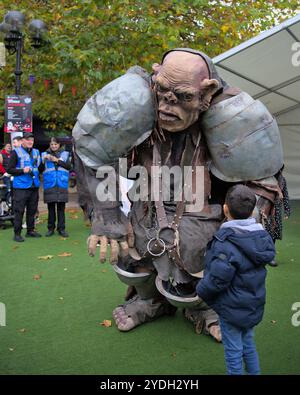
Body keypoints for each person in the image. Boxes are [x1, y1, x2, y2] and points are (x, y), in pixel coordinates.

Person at [73, 49, 287, 340]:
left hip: (202, 217)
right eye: (162, 91)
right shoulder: (136, 103)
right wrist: (107, 213)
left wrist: (242, 227)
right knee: (132, 255)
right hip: (146, 210)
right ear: (155, 74)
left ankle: (205, 307)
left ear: (207, 93)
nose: (167, 104)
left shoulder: (234, 116)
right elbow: (91, 151)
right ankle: (149, 301)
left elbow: (262, 180)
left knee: (209, 256)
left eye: (184, 96)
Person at [196, 185, 276, 375]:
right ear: (253, 212)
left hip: (231, 309)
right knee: (248, 344)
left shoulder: (226, 244)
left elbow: (218, 279)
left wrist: (201, 289)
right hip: (252, 305)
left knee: (233, 352)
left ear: (225, 209)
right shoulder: (261, 238)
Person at [7, 133, 42, 242]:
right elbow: (9, 169)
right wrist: (22, 170)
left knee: (32, 210)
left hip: (34, 185)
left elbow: (39, 168)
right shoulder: (16, 152)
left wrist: (44, 161)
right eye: (28, 140)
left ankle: (30, 231)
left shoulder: (36, 152)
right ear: (22, 141)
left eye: (32, 140)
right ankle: (17, 234)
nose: (30, 142)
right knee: (19, 211)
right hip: (21, 187)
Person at [41, 137, 71, 237]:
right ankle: (50, 229)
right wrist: (43, 161)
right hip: (49, 184)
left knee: (61, 209)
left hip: (62, 184)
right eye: (52, 144)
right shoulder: (44, 155)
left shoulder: (66, 154)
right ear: (49, 145)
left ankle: (61, 229)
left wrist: (56, 160)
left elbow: (69, 167)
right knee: (51, 209)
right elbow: (40, 169)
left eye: (55, 144)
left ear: (59, 145)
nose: (54, 146)